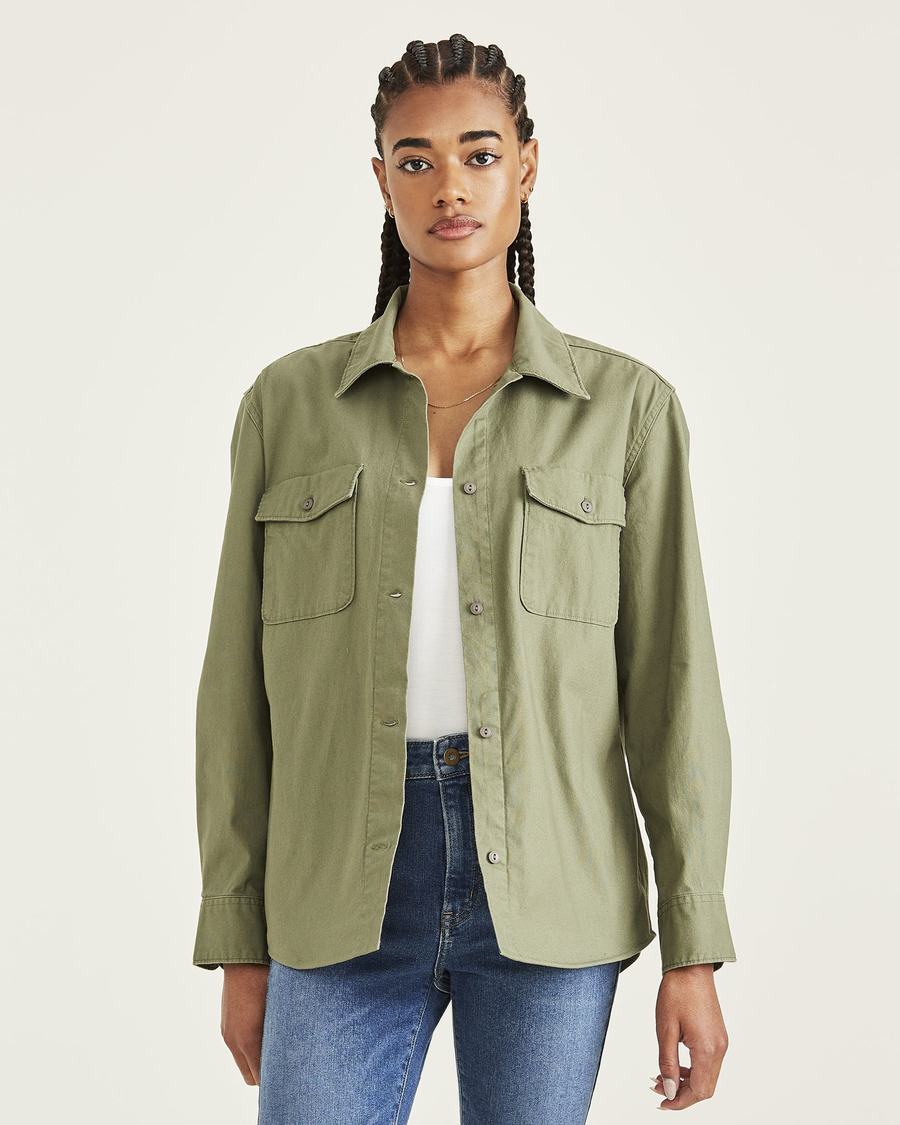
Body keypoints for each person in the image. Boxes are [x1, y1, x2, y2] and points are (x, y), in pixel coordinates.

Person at [191, 33, 737, 1123]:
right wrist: (238, 934)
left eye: (480, 154)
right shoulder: (288, 407)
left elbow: (673, 690)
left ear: (527, 166)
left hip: (556, 889)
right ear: (381, 179)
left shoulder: (625, 411)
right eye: (417, 159)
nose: (450, 186)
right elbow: (236, 695)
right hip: (335, 888)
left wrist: (695, 947)